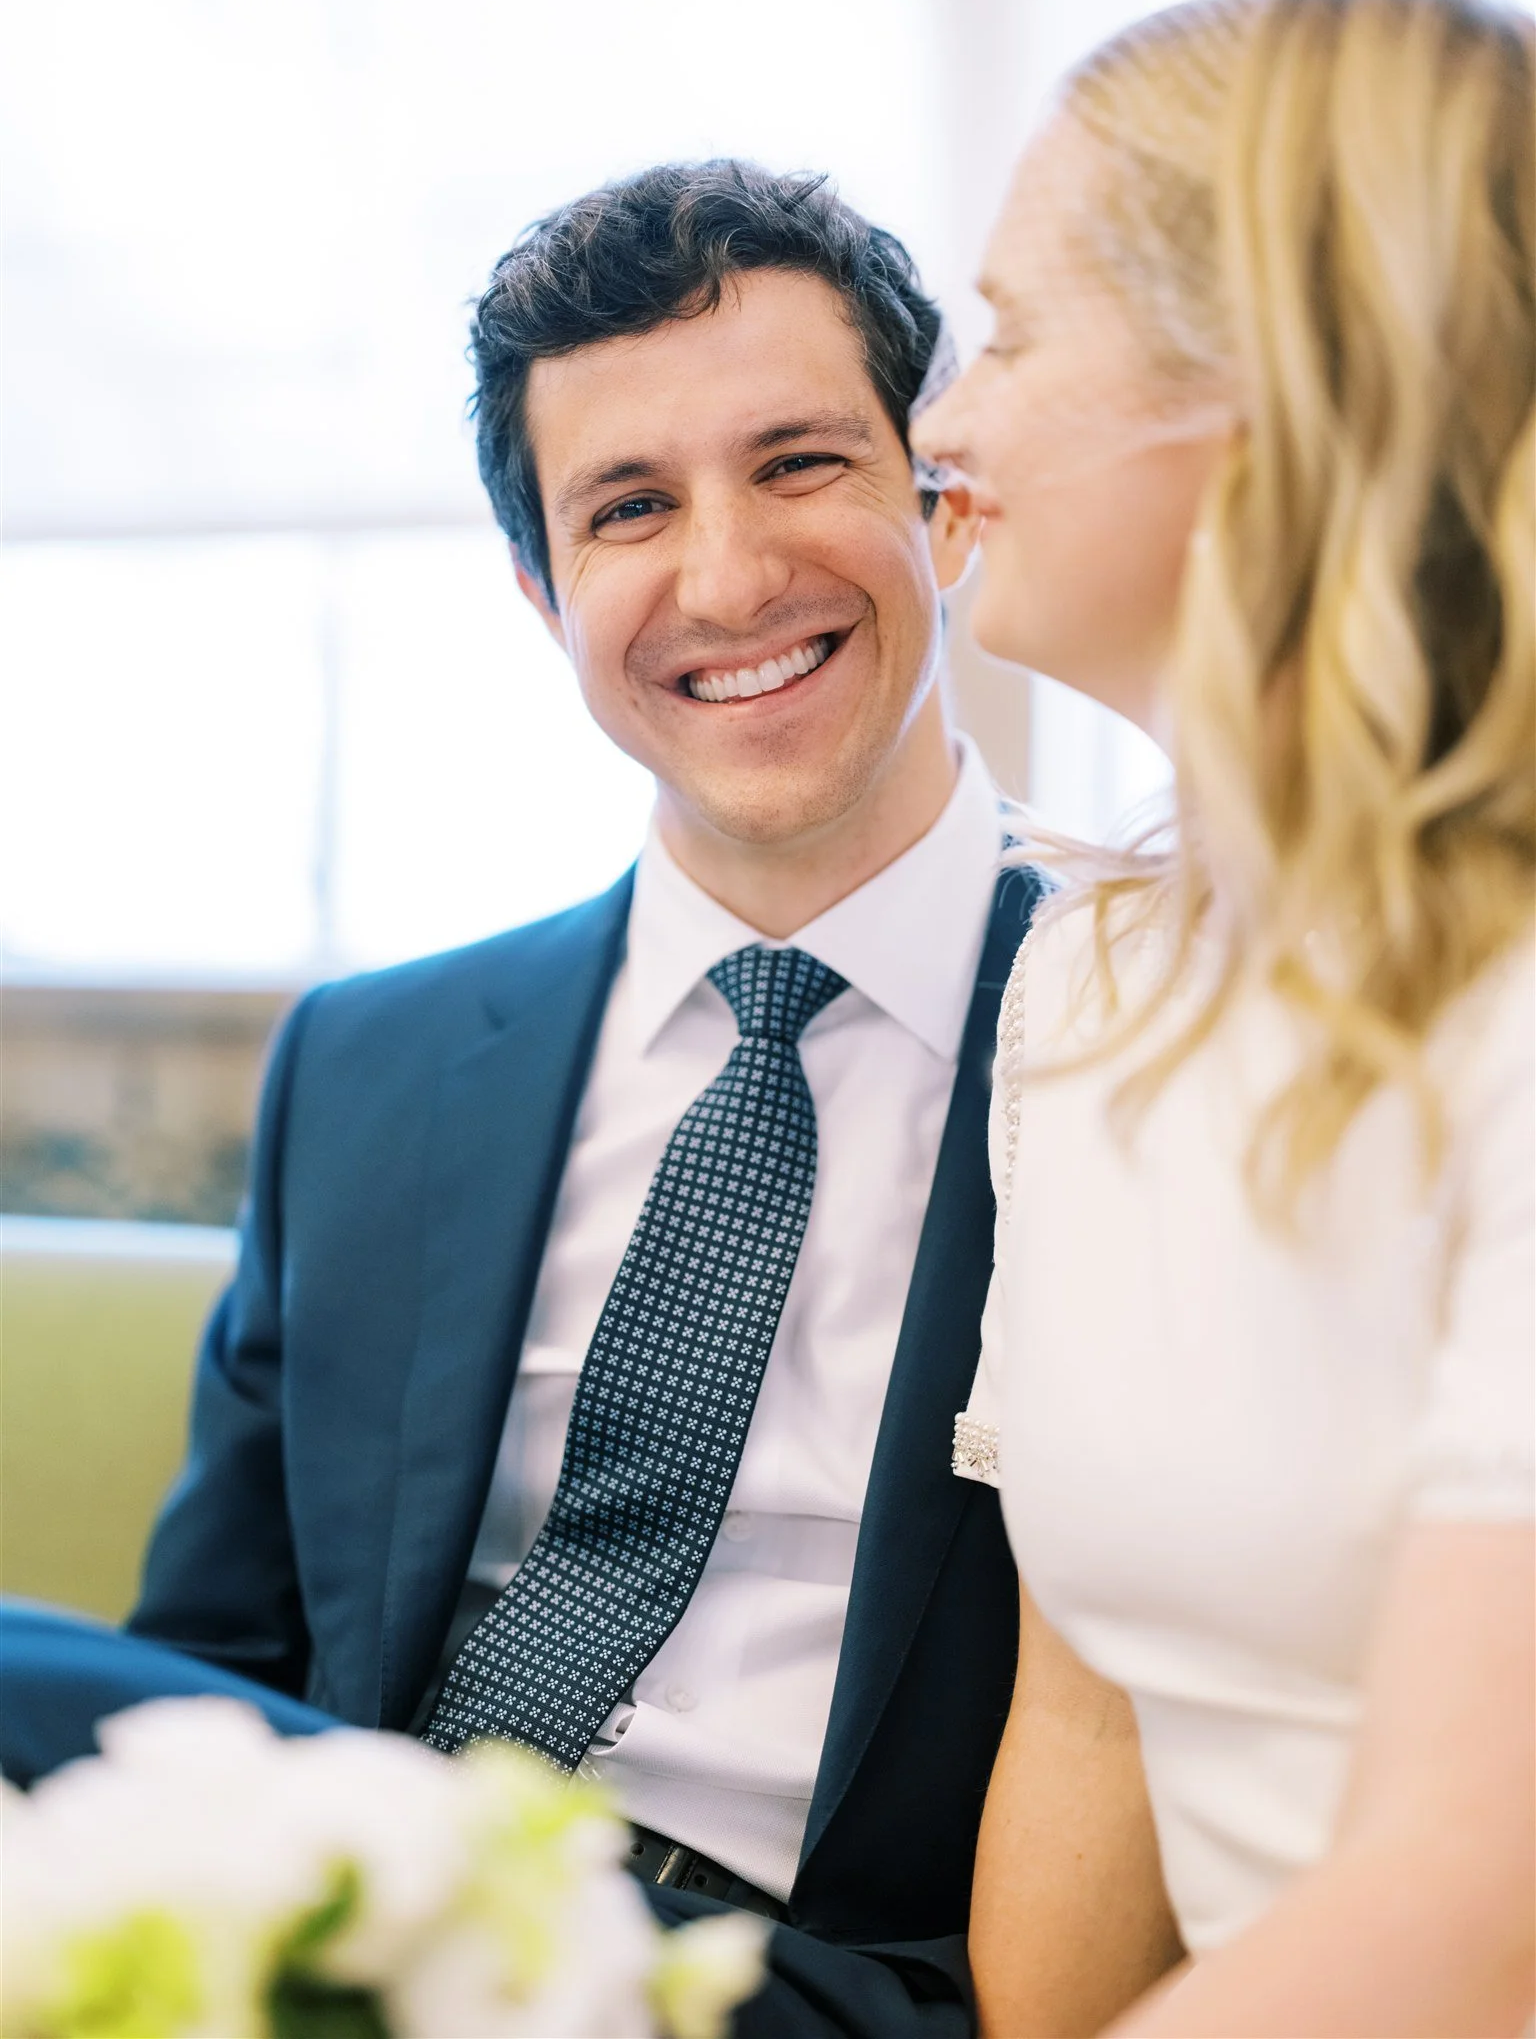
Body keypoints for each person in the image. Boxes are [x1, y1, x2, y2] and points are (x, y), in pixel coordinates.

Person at [0, 161, 1049, 2039]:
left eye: (800, 463)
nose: (726, 578)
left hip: (791, 1976)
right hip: (367, 1894)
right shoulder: (374, 1060)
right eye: (628, 507)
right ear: (539, 590)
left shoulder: (1157, 1035)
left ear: (944, 503)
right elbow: (208, 1666)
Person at [915, 0, 1535, 2031]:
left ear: (1264, 379)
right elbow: (1094, 1730)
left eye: (1008, 331)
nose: (942, 427)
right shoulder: (1100, 981)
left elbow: (1473, 1907)